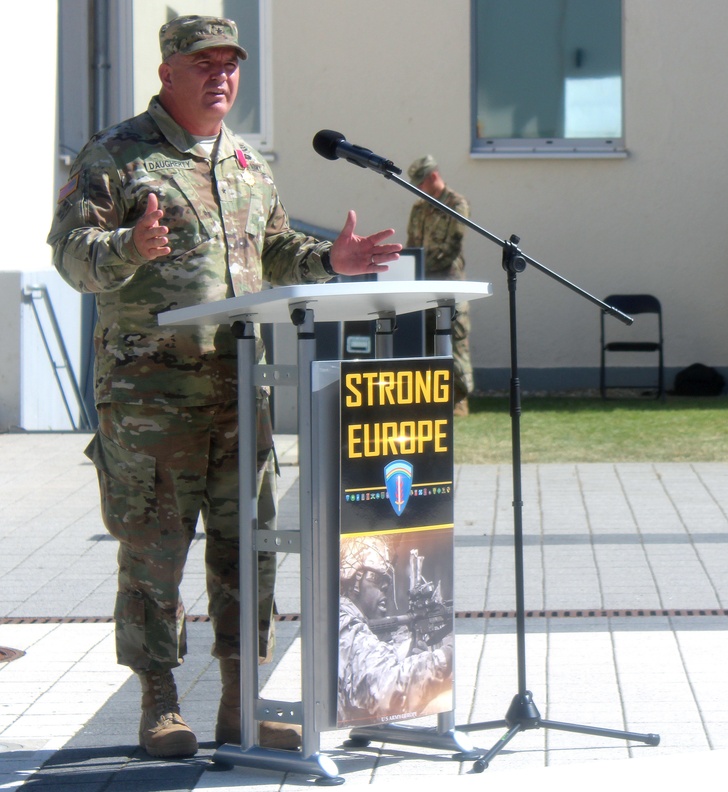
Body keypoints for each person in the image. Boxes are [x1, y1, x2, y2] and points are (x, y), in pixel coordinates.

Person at [47, 15, 401, 758]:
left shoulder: (245, 162)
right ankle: (159, 703)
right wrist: (128, 245)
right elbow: (73, 259)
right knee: (154, 552)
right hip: (151, 403)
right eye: (202, 63)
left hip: (242, 393)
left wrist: (329, 262)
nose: (220, 76)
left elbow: (270, 250)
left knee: (250, 552)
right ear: (166, 73)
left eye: (230, 64)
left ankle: (241, 703)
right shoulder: (116, 156)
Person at [338, 536, 453, 726]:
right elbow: (389, 689)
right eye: (377, 579)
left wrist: (406, 657)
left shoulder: (344, 621)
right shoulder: (348, 626)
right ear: (355, 581)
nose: (386, 587)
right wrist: (446, 656)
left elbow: (371, 662)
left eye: (387, 582)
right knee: (444, 698)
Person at [406, 155, 473, 415]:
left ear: (433, 177)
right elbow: (412, 244)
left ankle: (459, 402)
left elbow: (451, 247)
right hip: (423, 286)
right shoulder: (418, 208)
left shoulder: (457, 204)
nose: (418, 190)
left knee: (454, 343)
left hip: (448, 285)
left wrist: (420, 266)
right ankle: (430, 400)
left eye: (420, 183)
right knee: (426, 341)